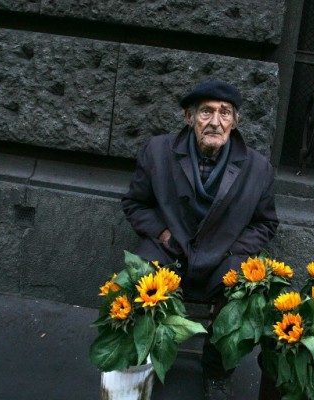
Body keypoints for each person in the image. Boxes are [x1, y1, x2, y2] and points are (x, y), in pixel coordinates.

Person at [121, 80, 279, 400]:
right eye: (206, 112)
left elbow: (266, 223)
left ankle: (217, 370)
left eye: (225, 113)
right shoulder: (157, 151)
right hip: (171, 249)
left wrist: (233, 250)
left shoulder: (258, 168)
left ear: (235, 122)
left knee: (241, 292)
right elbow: (135, 204)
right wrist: (163, 233)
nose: (215, 121)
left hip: (224, 255)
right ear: (188, 117)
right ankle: (141, 361)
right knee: (137, 277)